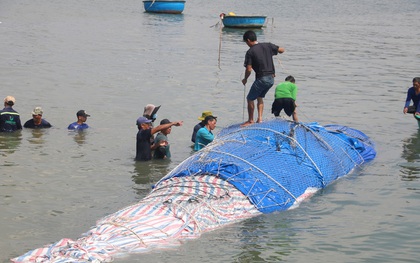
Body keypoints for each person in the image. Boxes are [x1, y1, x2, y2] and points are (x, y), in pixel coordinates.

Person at [241, 30, 285, 126]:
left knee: (250, 98)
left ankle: (250, 120)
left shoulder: (250, 52)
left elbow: (249, 69)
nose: (246, 44)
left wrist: (245, 79)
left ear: (248, 40)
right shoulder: (268, 46)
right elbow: (282, 50)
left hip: (262, 78)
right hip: (271, 79)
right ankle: (260, 119)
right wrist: (275, 51)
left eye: (246, 42)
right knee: (260, 97)